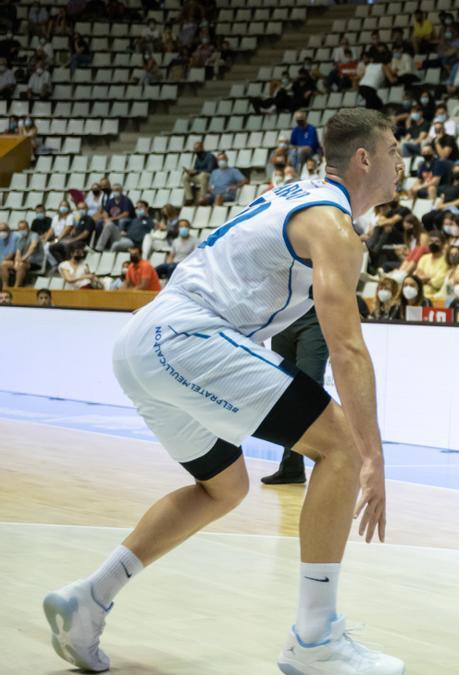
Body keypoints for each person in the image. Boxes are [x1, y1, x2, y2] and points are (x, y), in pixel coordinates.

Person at [42, 109, 406, 674]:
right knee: (342, 446)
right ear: (364, 159)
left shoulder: (299, 194)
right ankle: (314, 642)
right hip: (186, 337)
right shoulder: (334, 227)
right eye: (394, 153)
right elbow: (347, 346)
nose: (401, 165)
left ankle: (88, 598)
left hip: (144, 342)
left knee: (223, 489)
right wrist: (373, 455)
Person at [261, 307, 329, 485]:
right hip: (284, 317)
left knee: (310, 390)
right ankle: (291, 467)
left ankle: (329, 463)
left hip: (315, 317)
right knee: (284, 390)